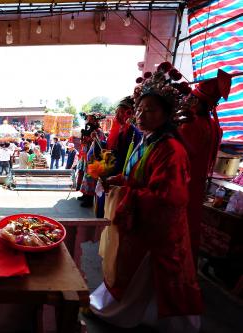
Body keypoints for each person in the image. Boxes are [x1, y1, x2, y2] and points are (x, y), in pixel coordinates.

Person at [90, 63, 202, 333]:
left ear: (167, 115)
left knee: (155, 277)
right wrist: (117, 180)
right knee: (140, 277)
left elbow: (168, 198)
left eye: (149, 110)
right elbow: (136, 178)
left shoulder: (171, 150)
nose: (140, 115)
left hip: (158, 230)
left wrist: (124, 192)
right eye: (139, 109)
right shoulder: (147, 141)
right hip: (140, 221)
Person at [178, 69, 230, 264]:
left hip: (183, 182)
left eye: (192, 99)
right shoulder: (215, 126)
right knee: (190, 224)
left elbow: (180, 154)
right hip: (197, 185)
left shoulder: (191, 124)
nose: (188, 102)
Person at [106, 96, 142, 175]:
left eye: (121, 112)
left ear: (129, 114)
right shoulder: (117, 129)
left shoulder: (133, 132)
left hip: (122, 173)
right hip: (112, 168)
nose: (117, 115)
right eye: (116, 112)